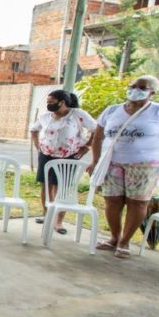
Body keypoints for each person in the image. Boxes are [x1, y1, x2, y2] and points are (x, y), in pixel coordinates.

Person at [90, 75, 159, 259]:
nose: (135, 89)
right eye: (133, 86)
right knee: (112, 200)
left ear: (152, 92)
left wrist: (154, 146)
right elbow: (98, 138)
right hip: (113, 162)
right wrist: (95, 161)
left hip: (145, 164)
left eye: (142, 87)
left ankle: (124, 242)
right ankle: (114, 238)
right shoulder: (112, 111)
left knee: (138, 202)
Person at [30, 90, 96, 234]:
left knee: (63, 188)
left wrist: (87, 147)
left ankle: (58, 221)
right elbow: (34, 130)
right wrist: (37, 145)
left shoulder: (77, 114)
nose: (48, 105)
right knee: (46, 185)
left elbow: (96, 130)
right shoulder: (45, 116)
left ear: (63, 102)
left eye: (51, 102)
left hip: (69, 156)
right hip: (46, 155)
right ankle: (47, 214)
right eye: (47, 102)